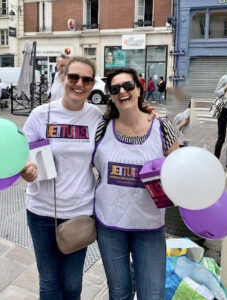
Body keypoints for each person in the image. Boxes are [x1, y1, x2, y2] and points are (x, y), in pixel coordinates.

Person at [93, 67, 179, 300]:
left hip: (149, 226)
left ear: (139, 90)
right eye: (115, 88)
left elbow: (179, 172)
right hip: (110, 224)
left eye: (128, 86)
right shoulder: (102, 127)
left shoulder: (162, 127)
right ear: (110, 96)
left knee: (152, 294)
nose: (122, 91)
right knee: (119, 294)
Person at [20, 56, 101, 300]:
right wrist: (26, 169)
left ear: (92, 84)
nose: (79, 84)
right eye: (74, 77)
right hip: (41, 211)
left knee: (73, 283)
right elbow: (22, 155)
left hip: (79, 212)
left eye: (86, 79)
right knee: (49, 282)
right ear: (63, 77)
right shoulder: (40, 115)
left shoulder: (96, 117)